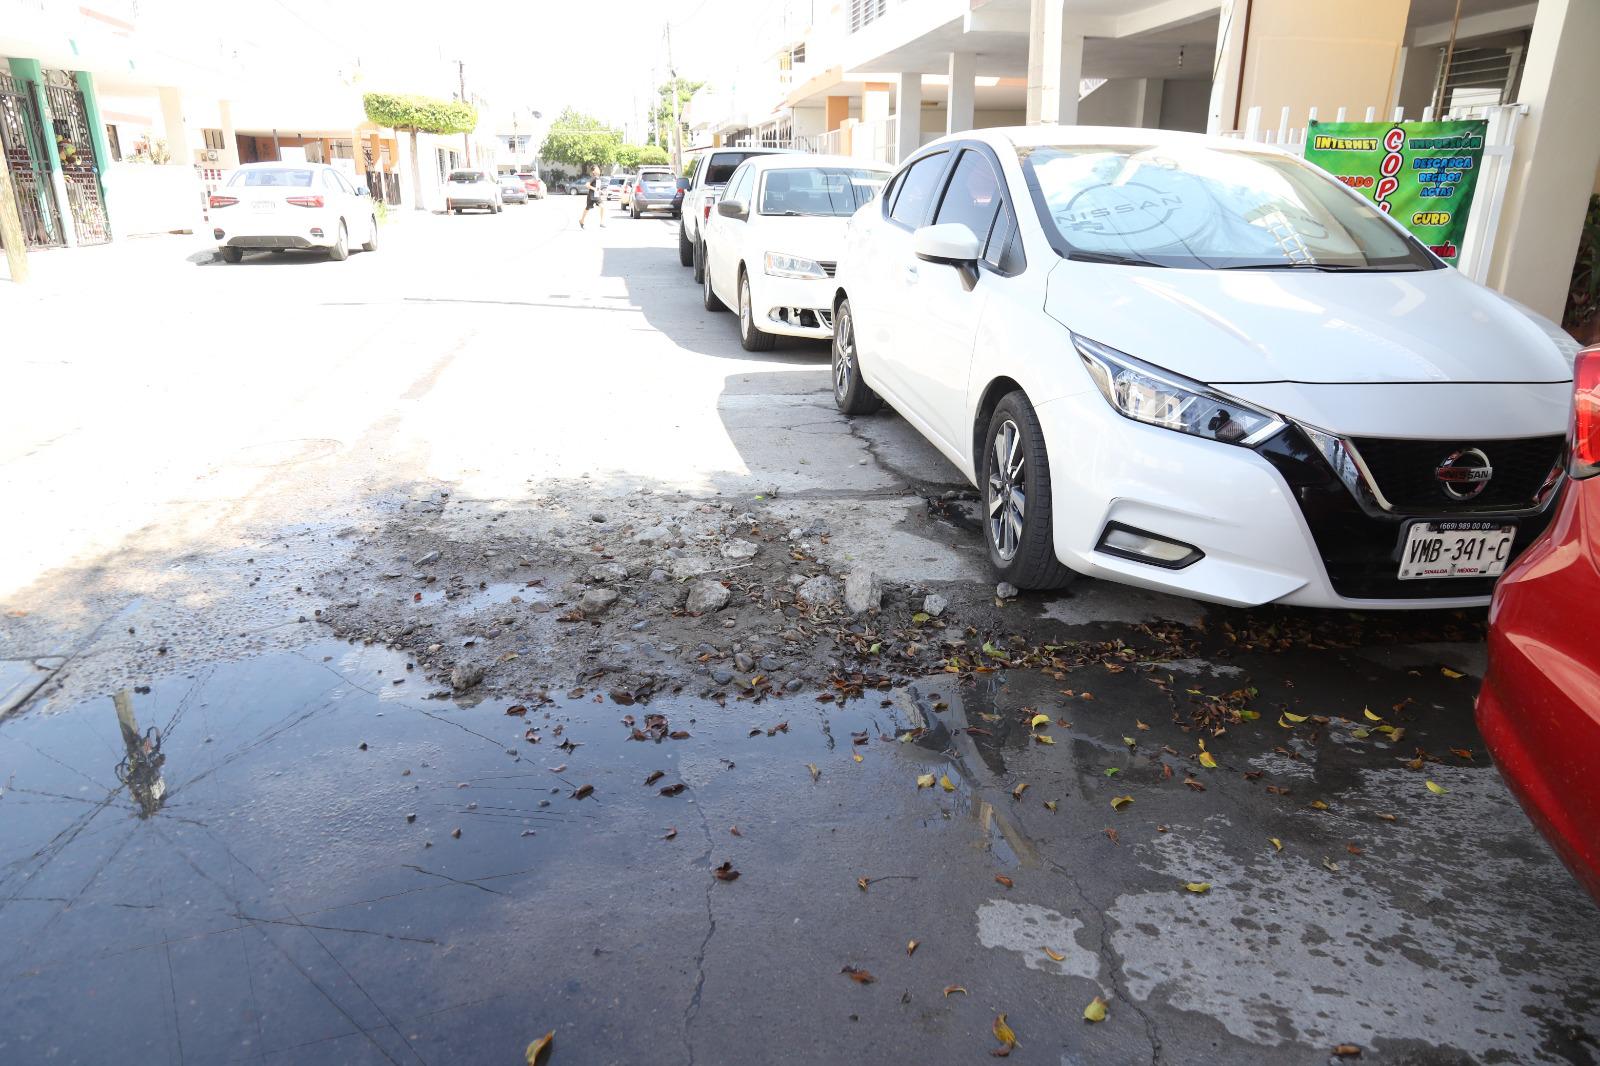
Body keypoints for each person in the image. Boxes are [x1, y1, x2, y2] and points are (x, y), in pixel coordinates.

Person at [579, 164, 605, 229]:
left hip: (597, 196)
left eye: (598, 168)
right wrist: (594, 189)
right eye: (597, 169)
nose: (598, 169)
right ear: (593, 171)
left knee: (602, 206)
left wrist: (601, 191)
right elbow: (587, 185)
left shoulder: (598, 178)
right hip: (591, 196)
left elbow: (597, 188)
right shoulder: (593, 177)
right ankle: (581, 220)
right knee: (587, 208)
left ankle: (601, 222)